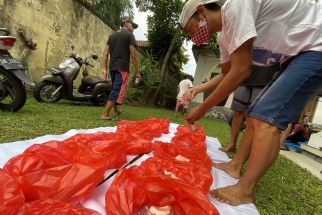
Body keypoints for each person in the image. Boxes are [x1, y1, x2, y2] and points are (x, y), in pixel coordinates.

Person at [179, 0, 322, 206]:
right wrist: (197, 90)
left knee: (266, 119)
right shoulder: (224, 37)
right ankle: (236, 165)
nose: (196, 37)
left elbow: (242, 70)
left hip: (316, 46)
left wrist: (202, 108)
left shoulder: (235, 5)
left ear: (201, 11)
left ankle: (245, 189)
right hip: (296, 55)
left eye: (193, 29)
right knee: (253, 114)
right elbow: (227, 74)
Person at [220, 64, 277, 153]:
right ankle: (232, 144)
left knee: (254, 116)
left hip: (265, 77)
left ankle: (247, 149)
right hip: (243, 77)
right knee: (238, 112)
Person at [101, 16, 142, 120]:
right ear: (126, 23)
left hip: (113, 67)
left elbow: (105, 53)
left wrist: (104, 69)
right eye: (132, 25)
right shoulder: (129, 35)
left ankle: (115, 110)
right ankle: (105, 114)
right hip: (122, 67)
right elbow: (133, 55)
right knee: (117, 90)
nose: (133, 28)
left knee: (115, 87)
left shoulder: (112, 35)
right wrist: (137, 72)